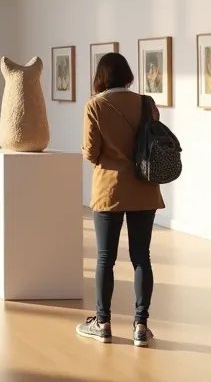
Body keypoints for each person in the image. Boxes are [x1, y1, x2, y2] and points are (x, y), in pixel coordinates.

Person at [74, 52, 164, 347]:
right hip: (144, 189)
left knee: (105, 258)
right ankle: (141, 326)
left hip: (109, 190)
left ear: (100, 77)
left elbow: (90, 152)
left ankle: (102, 322)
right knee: (142, 258)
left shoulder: (95, 105)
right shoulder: (146, 103)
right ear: (128, 75)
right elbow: (155, 138)